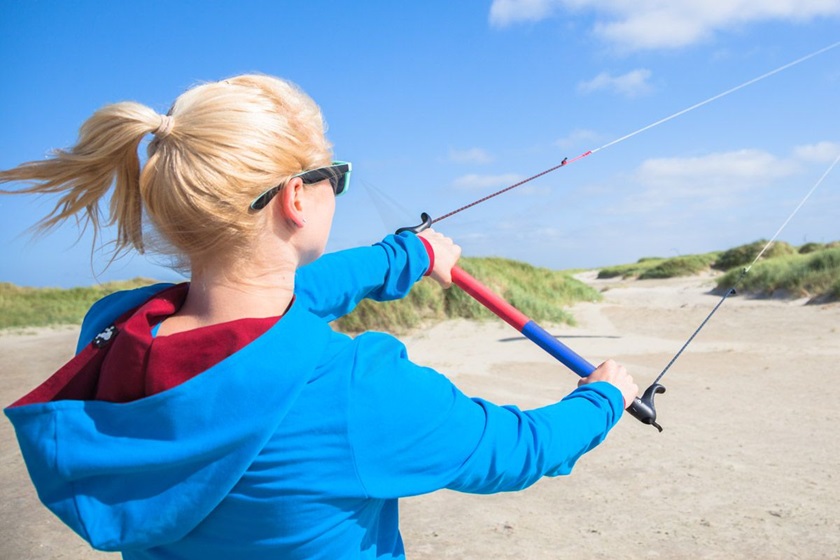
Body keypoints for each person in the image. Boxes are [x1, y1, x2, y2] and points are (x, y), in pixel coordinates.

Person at [1, 74, 637, 559]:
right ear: (296, 197)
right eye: (335, 174)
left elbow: (277, 304)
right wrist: (604, 396)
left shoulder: (114, 331)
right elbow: (515, 450)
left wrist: (408, 255)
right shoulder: (355, 387)